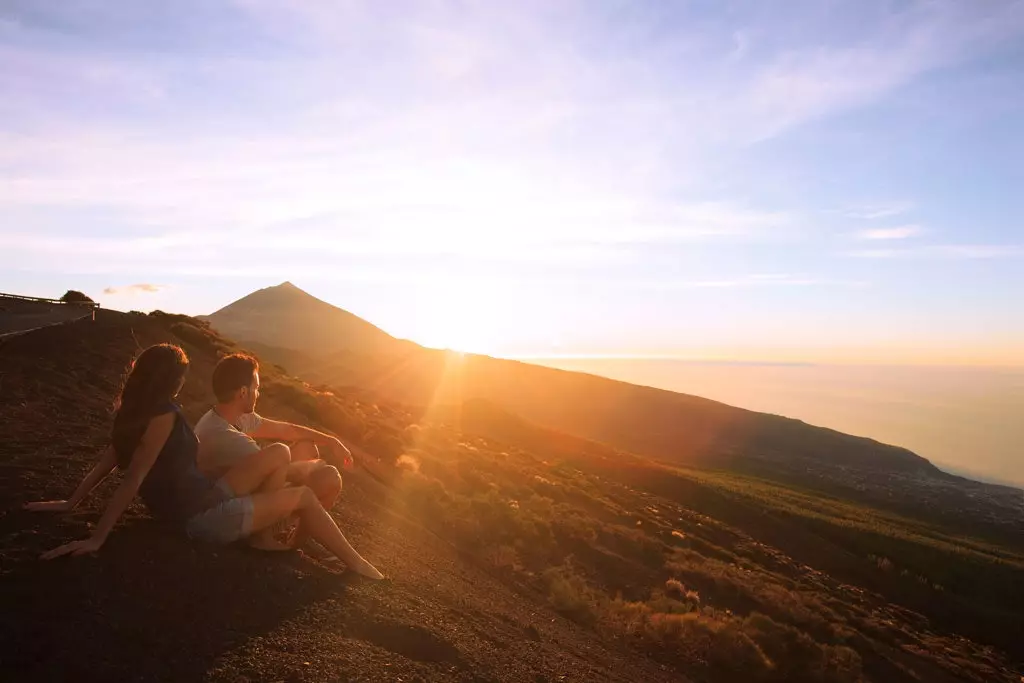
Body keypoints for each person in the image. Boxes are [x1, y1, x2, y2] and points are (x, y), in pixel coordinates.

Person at [24, 343, 384, 580]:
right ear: (173, 380)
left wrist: (71, 501)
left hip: (201, 497)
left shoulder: (132, 413)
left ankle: (269, 537)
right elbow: (133, 476)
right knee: (304, 495)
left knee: (280, 451)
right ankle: (357, 564)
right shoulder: (164, 415)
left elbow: (111, 460)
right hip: (200, 518)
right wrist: (97, 538)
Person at [193, 353, 352, 551]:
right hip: (233, 509)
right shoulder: (223, 435)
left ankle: (291, 531)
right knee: (328, 477)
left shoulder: (236, 416)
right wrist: (314, 467)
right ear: (243, 392)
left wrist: (331, 441)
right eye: (256, 388)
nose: (258, 393)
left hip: (246, 491)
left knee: (306, 446)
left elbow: (286, 430)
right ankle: (269, 535)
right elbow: (282, 469)